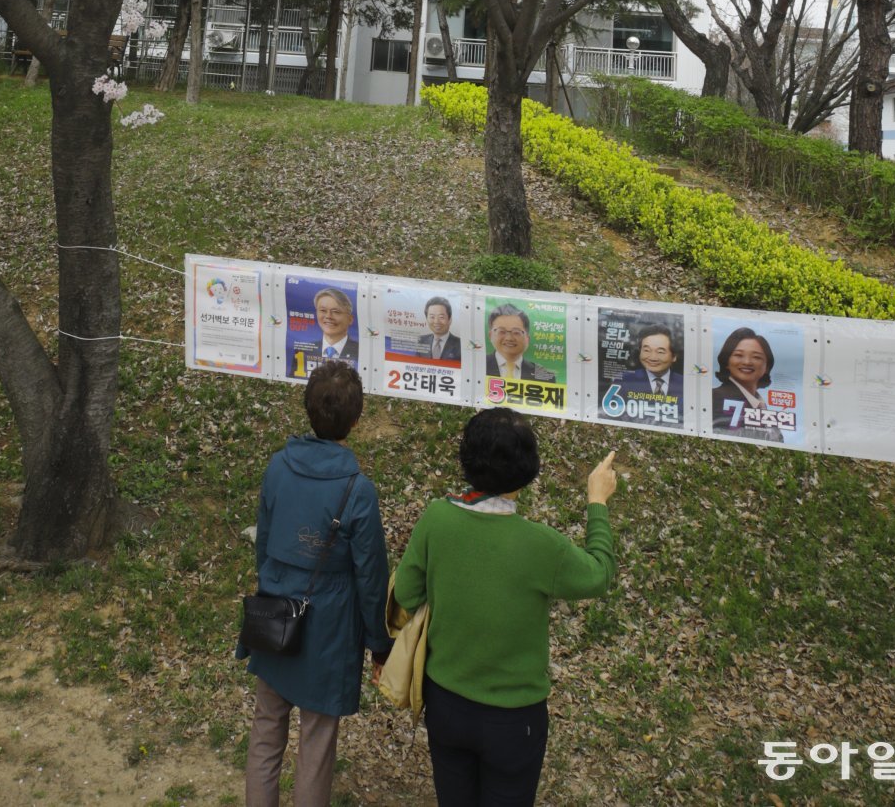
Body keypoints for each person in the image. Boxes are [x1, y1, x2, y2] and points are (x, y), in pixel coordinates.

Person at [390, 410, 619, 807]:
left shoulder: (436, 517)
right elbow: (599, 574)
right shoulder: (542, 546)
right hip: (515, 721)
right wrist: (597, 501)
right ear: (527, 471)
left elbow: (406, 595)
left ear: (466, 460)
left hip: (446, 703)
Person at [242, 361, 391, 807]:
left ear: (306, 408)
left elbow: (264, 543)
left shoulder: (277, 468)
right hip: (329, 626)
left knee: (266, 728)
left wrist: (271, 584)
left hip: (276, 614)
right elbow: (371, 575)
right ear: (357, 420)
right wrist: (378, 641)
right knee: (317, 742)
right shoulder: (357, 490)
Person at [711, 326, 783, 444]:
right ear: (726, 362)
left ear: (767, 366)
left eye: (756, 357)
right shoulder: (714, 398)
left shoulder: (760, 405)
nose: (747, 362)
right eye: (738, 355)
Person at [484, 304, 557, 384]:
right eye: (502, 331)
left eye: (516, 332)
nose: (509, 338)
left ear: (527, 339)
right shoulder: (477, 365)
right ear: (490, 335)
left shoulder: (545, 376)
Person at [617, 325, 684, 413]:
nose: (652, 357)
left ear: (674, 356)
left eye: (660, 352)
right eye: (646, 350)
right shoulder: (624, 381)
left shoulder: (685, 384)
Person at [295, 287, 358, 373]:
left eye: (336, 311)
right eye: (323, 310)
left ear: (350, 319)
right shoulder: (302, 351)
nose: (328, 316)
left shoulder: (361, 352)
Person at [418, 296, 461, 363]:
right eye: (432, 317)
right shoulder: (420, 341)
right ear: (427, 319)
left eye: (441, 317)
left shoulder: (460, 344)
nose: (436, 321)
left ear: (450, 320)